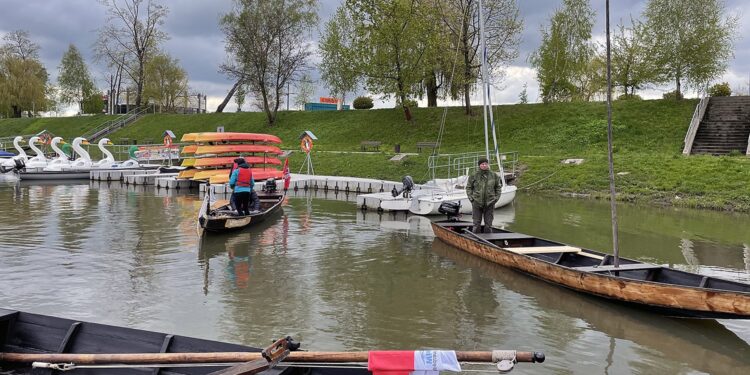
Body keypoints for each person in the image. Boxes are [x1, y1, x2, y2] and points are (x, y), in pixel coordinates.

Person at [466, 157, 502, 233]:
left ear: (488, 165)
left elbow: (498, 188)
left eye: (486, 164)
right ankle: (475, 240)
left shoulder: (494, 175)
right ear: (479, 165)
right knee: (476, 224)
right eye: (482, 164)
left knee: (488, 224)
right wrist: (471, 199)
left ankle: (488, 240)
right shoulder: (474, 175)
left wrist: (495, 199)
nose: (484, 165)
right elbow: (469, 188)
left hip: (490, 203)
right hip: (477, 203)